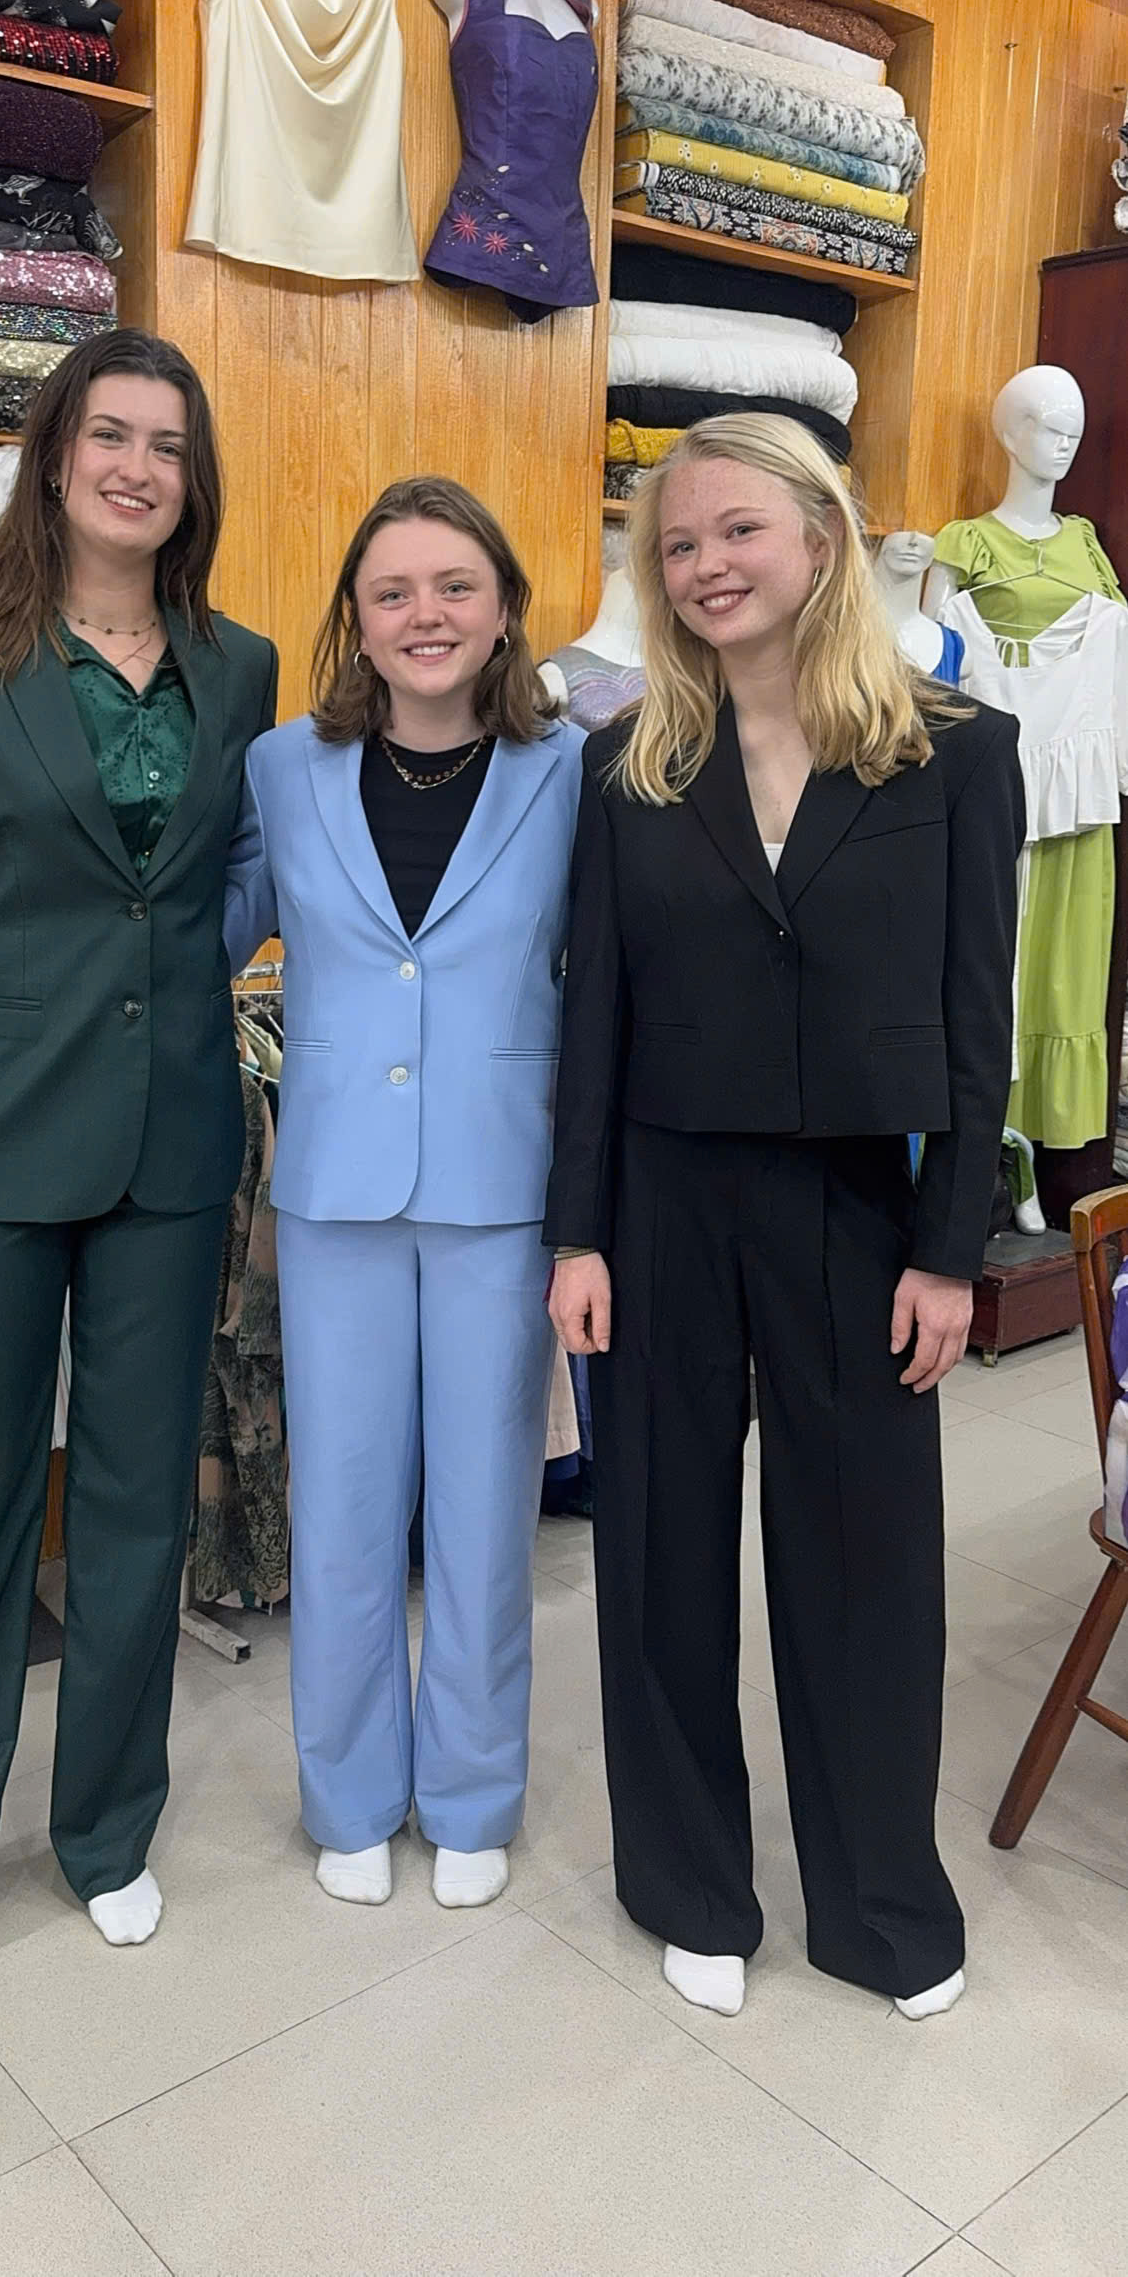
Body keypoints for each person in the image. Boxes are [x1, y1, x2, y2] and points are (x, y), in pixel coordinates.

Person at [546, 414, 1024, 2023]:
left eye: (735, 531)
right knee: (661, 1549)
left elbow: (975, 1023)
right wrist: (577, 1233)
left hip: (854, 1204)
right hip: (661, 1198)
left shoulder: (956, 752)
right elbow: (592, 1016)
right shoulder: (626, 765)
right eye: (676, 545)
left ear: (819, 538)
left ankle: (880, 1905)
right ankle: (688, 1881)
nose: (705, 566)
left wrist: (950, 1248)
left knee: (863, 1559)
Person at [0, 330, 277, 2022]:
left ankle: (104, 1832)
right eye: (110, 435)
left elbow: (219, 888)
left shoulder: (234, 666)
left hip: (170, 1145)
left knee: (130, 1508)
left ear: (192, 479)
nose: (135, 467)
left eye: (166, 445)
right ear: (53, 454)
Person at [226, 478, 583, 1910]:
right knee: (347, 1504)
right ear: (356, 621)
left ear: (502, 610)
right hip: (333, 1188)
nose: (424, 614)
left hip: (503, 1183)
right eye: (392, 592)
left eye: (454, 586)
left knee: (487, 1509)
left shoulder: (573, 770)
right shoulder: (281, 767)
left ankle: (474, 1790)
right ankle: (352, 1792)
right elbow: (206, 930)